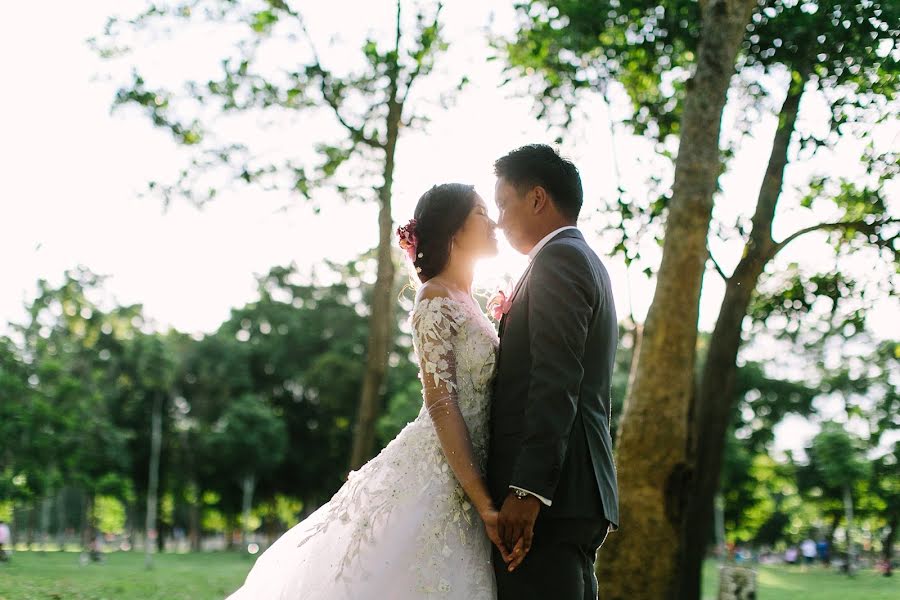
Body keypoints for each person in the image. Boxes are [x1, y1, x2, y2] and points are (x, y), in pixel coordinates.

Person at [227, 183, 504, 599]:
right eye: (482, 212)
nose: (493, 221)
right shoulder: (434, 299)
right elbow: (442, 403)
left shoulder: (471, 301)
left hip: (477, 465)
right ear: (455, 229)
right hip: (446, 471)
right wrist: (482, 501)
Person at [488, 144, 619, 600]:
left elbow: (555, 381)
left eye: (504, 203)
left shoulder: (558, 261)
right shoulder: (581, 260)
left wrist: (527, 490)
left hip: (552, 496)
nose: (499, 219)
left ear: (538, 199)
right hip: (574, 491)